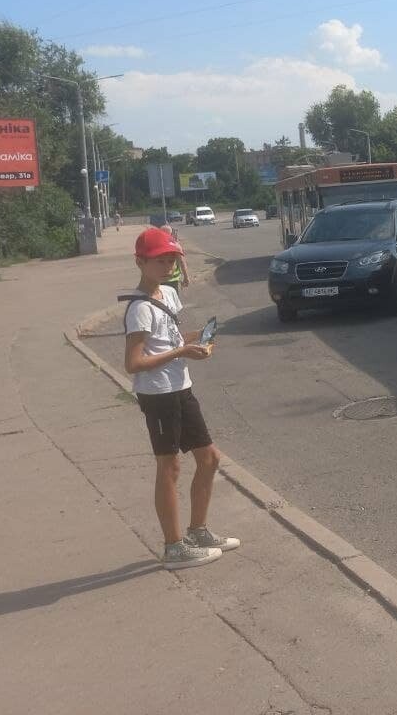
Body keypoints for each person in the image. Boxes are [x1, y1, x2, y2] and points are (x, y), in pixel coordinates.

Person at [122, 226, 239, 569]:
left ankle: (198, 531)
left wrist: (197, 340)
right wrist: (181, 353)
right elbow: (133, 362)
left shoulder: (168, 295)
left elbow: (170, 338)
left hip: (180, 388)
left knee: (209, 459)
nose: (169, 264)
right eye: (161, 259)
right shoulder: (138, 309)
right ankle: (174, 547)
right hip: (158, 395)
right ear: (140, 261)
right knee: (170, 467)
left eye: (173, 258)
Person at [159, 225, 191, 294]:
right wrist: (186, 277)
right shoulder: (176, 246)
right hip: (172, 279)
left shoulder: (155, 246)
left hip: (159, 279)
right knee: (172, 300)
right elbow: (182, 262)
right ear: (171, 234)